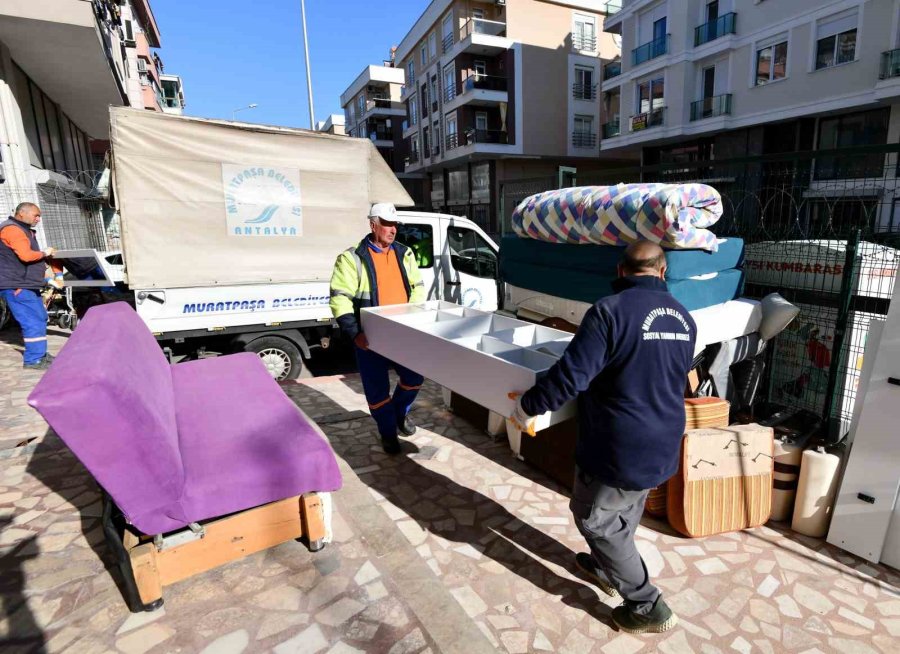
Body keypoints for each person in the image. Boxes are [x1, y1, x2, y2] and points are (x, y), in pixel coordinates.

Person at [509, 241, 696, 635]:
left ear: (621, 270)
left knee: (596, 520)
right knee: (624, 510)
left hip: (620, 444)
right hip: (662, 437)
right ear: (663, 272)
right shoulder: (684, 318)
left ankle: (646, 604)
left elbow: (572, 375)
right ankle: (608, 567)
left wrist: (529, 406)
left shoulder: (608, 312)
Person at [330, 203, 427, 454]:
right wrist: (354, 333)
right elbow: (340, 298)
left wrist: (415, 319)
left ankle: (397, 415)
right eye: (387, 223)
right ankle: (387, 433)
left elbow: (417, 288)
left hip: (404, 333)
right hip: (370, 338)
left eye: (395, 224)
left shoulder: (405, 253)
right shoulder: (352, 258)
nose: (392, 229)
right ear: (373, 224)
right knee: (377, 391)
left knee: (414, 378)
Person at [0, 203, 58, 370]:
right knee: (32, 321)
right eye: (36, 215)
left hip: (26, 284)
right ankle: (33, 359)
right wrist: (44, 253)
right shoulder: (13, 230)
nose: (38, 219)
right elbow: (25, 256)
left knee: (39, 317)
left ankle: (40, 354)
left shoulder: (23, 229)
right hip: (17, 285)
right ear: (21, 213)